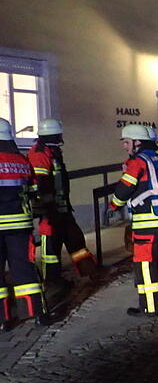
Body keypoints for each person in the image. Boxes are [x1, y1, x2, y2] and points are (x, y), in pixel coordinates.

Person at [109, 124, 158, 317]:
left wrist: (113, 206)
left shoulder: (138, 162)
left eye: (127, 142)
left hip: (147, 221)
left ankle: (150, 306)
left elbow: (125, 188)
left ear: (138, 142)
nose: (125, 147)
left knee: (145, 264)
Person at [29, 118, 98, 297]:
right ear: (53, 134)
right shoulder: (39, 153)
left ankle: (90, 271)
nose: (61, 137)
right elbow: (41, 183)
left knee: (76, 241)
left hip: (63, 210)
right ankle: (52, 283)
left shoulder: (52, 151)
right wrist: (47, 211)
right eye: (59, 133)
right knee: (51, 251)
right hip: (49, 213)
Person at [0, 118, 48, 330]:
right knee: (25, 270)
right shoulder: (21, 160)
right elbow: (34, 188)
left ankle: (4, 319)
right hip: (20, 224)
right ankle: (36, 314)